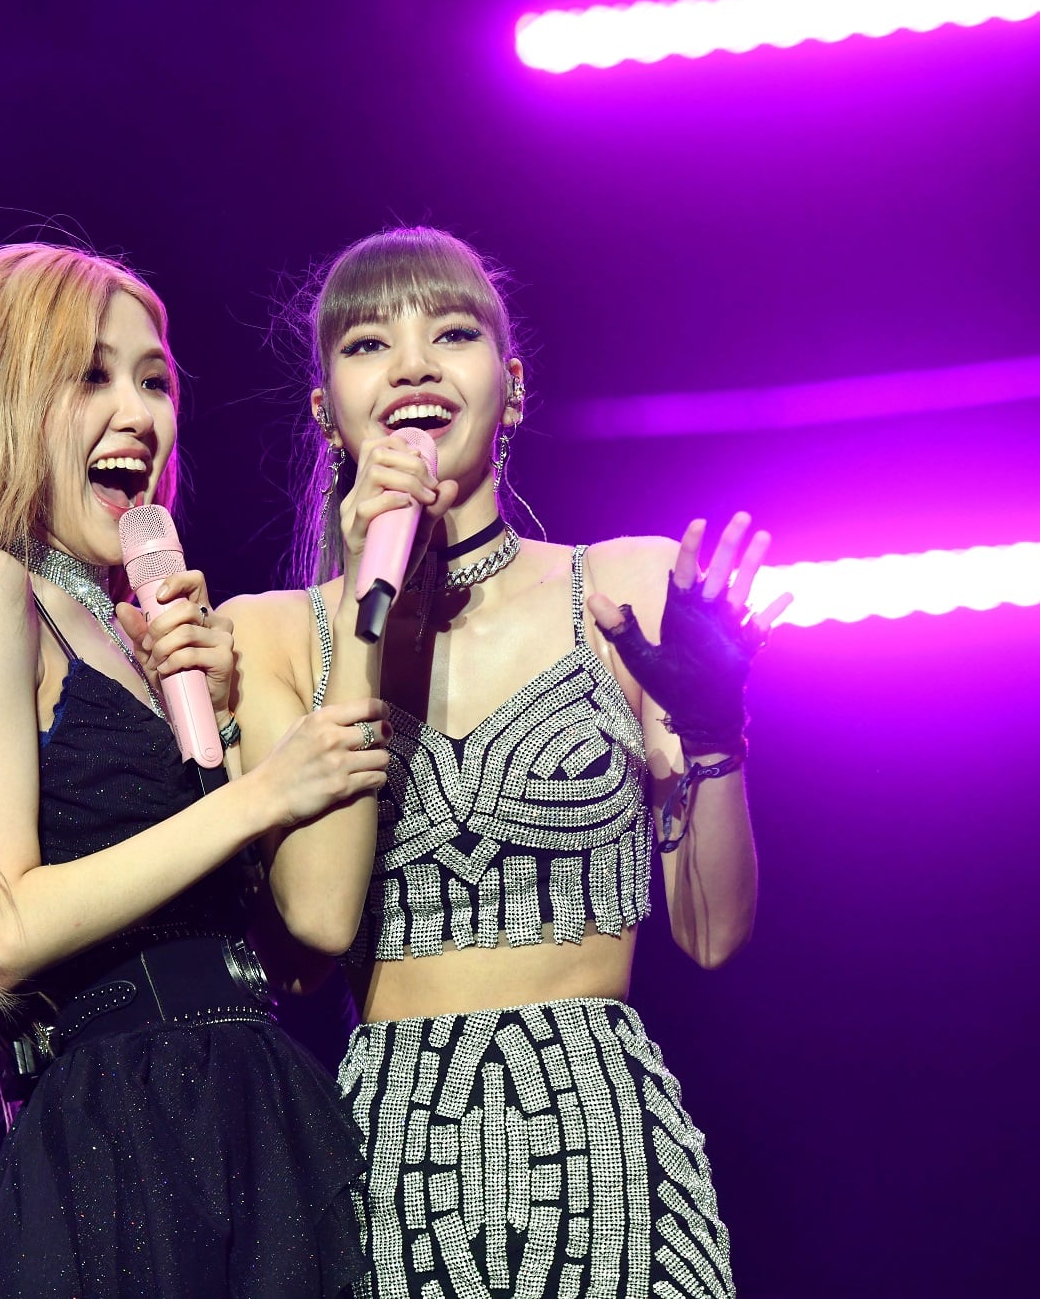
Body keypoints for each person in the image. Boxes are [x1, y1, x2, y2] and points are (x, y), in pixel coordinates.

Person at [224, 227, 790, 1298]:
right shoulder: (269, 635)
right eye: (367, 344)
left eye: (450, 333)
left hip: (607, 1164)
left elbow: (713, 935)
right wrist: (367, 601)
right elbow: (316, 930)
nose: (412, 364)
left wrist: (719, 736)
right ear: (326, 412)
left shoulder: (622, 586)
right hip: (393, 1171)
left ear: (512, 386)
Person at [0, 242, 389, 1297]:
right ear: (1, 397)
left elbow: (289, 943)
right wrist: (256, 796)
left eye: (154, 381)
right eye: (91, 375)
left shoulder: (129, 627)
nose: (138, 413)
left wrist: (223, 720)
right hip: (131, 1137)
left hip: (245, 1102)